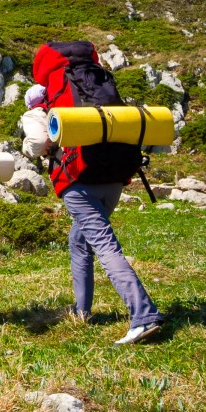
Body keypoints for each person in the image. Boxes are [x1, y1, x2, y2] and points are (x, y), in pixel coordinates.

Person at [28, 48, 165, 345]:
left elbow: (38, 142)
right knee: (79, 241)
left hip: (77, 180)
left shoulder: (50, 94)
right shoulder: (98, 82)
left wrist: (47, 146)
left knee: (104, 244)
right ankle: (82, 312)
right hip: (114, 176)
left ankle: (144, 315)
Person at [20, 84, 51, 160]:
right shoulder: (61, 103)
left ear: (30, 106)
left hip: (68, 159)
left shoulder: (31, 115)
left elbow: (40, 142)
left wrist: (26, 146)